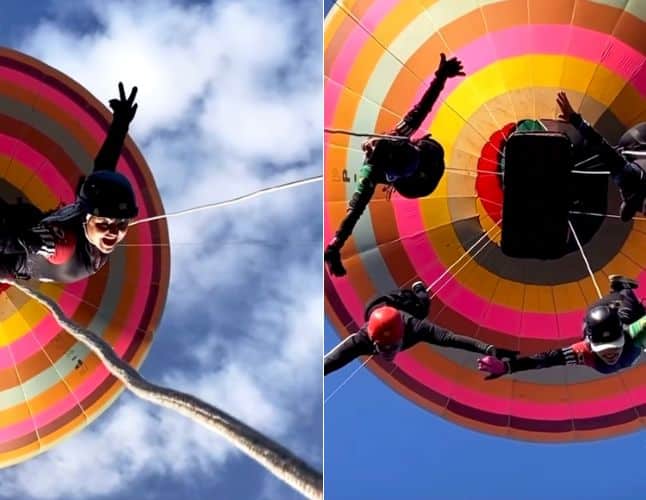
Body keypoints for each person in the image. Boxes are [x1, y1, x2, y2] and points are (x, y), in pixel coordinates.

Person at [324, 53, 465, 277]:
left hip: (426, 163)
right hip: (420, 178)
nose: (368, 145)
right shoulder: (373, 168)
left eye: (370, 144)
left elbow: (423, 107)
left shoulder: (398, 137)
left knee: (427, 148)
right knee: (424, 154)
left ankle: (415, 161)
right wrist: (334, 245)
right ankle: (413, 164)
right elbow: (355, 209)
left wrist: (441, 76)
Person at [0, 82, 139, 283]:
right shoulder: (98, 197)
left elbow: (10, 242)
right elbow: (104, 164)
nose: (114, 232)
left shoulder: (64, 244)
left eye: (121, 224)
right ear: (87, 214)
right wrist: (121, 123)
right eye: (106, 223)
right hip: (29, 223)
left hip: (13, 258)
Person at [325, 280, 518, 375]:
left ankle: (419, 289)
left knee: (423, 307)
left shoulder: (416, 327)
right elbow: (331, 361)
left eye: (391, 347)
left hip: (407, 305)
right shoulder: (360, 340)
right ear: (373, 340)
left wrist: (487, 348)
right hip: (382, 304)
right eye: (382, 347)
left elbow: (451, 338)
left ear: (401, 338)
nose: (387, 352)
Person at [478, 275, 646, 379]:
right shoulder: (583, 351)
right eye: (603, 349)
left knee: (631, 314)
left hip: (621, 320)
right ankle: (622, 288)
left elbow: (545, 359)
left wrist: (508, 368)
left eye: (614, 347)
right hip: (603, 314)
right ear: (591, 346)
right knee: (632, 314)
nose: (610, 354)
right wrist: (507, 367)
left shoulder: (632, 333)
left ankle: (622, 288)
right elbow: (547, 358)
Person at [556, 92, 646, 221]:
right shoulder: (630, 178)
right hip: (636, 140)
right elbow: (602, 148)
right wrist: (576, 120)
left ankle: (630, 202)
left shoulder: (630, 182)